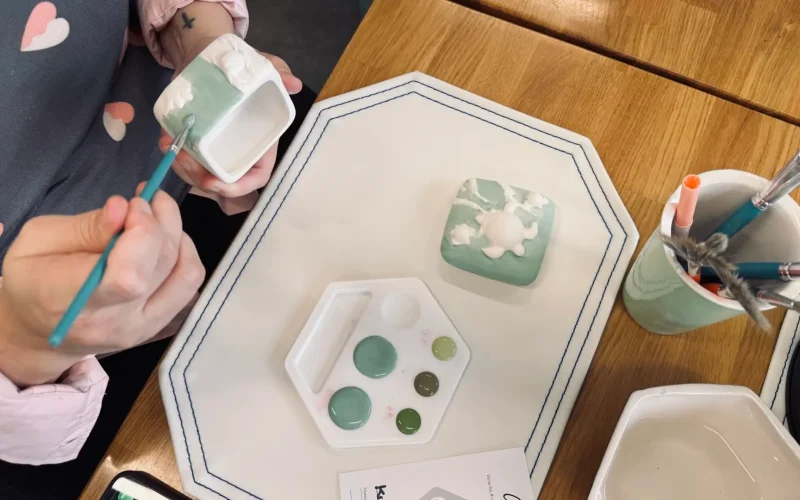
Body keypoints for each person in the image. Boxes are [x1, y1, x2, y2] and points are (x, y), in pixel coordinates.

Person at [0, 0, 302, 465]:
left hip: (179, 144)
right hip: (78, 360)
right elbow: (29, 443)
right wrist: (26, 346)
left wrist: (206, 49)